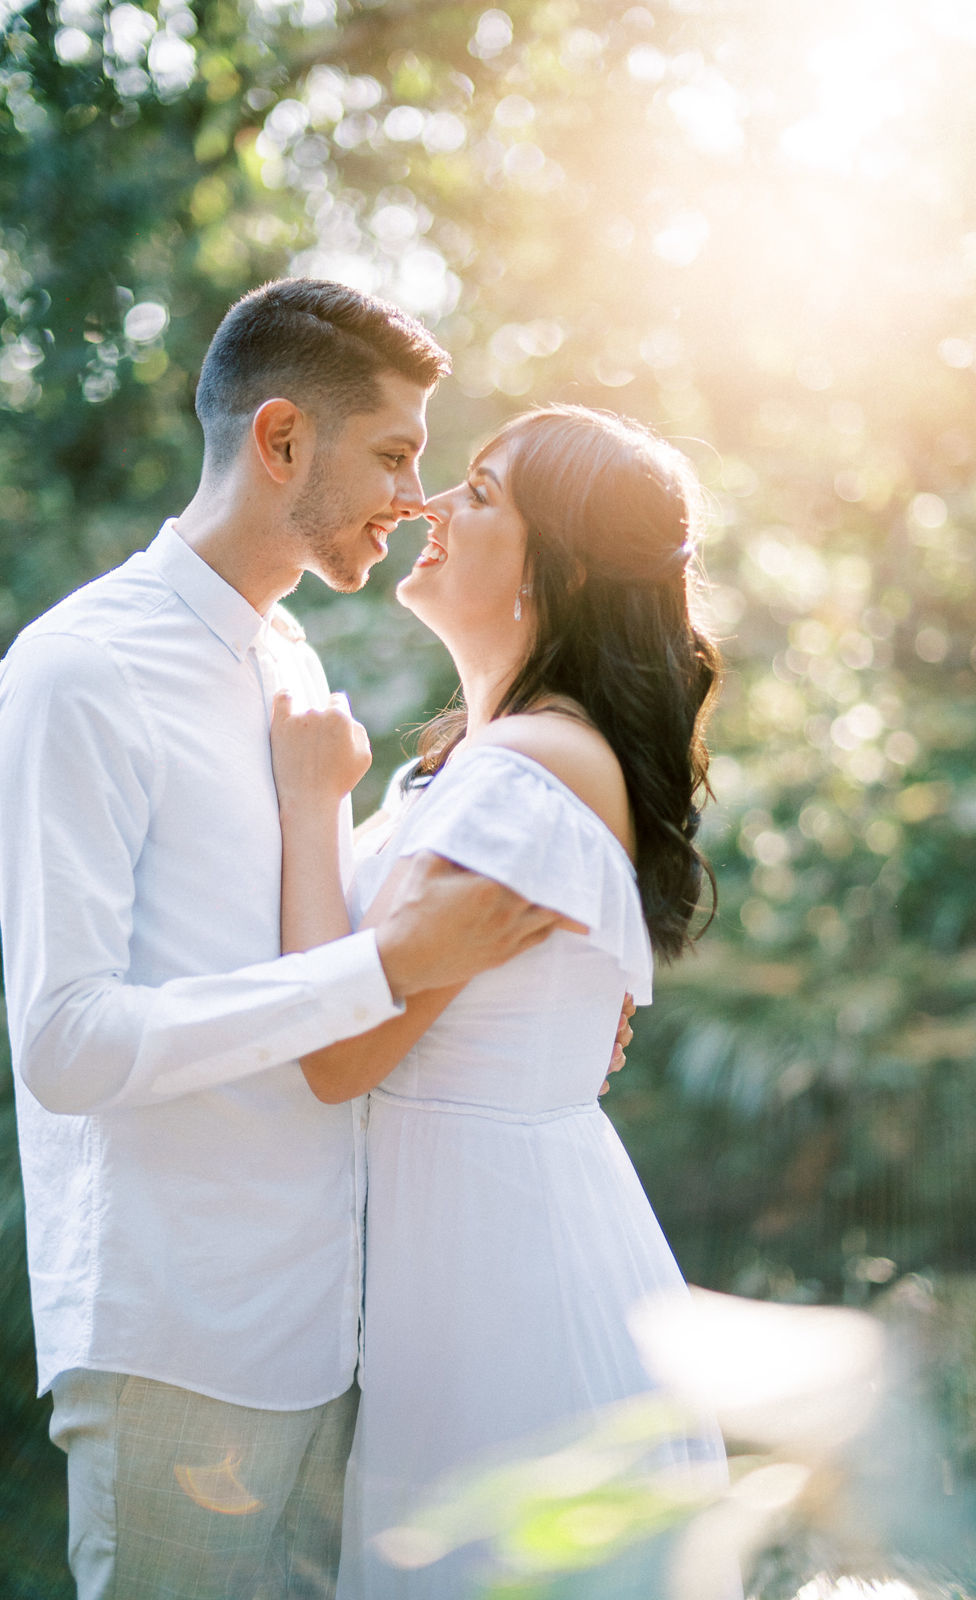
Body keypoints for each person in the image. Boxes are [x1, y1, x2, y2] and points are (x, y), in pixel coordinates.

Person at [0, 279, 581, 1600]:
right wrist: (381, 972)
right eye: (391, 455)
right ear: (279, 442)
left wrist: (533, 987)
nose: (415, 498)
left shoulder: (292, 661)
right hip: (183, 1340)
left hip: (334, 1334)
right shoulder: (79, 668)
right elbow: (64, 1043)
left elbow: (341, 911)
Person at [268, 404, 738, 1598]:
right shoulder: (496, 759)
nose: (428, 505)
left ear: (559, 565)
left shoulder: (526, 766)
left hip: (503, 1283)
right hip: (475, 1251)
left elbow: (335, 1055)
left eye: (478, 492)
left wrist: (312, 800)